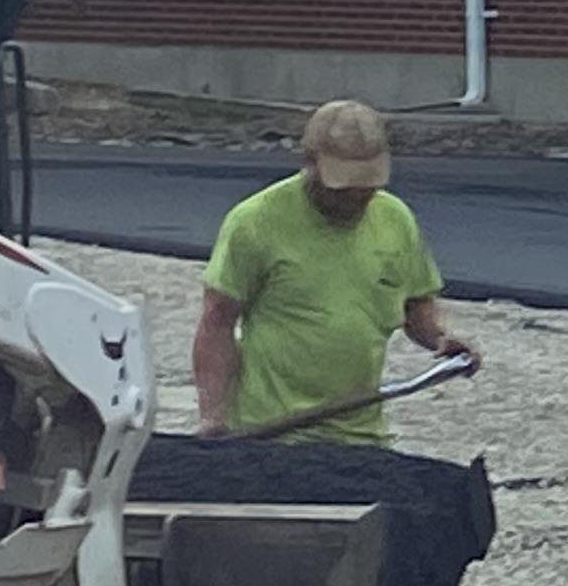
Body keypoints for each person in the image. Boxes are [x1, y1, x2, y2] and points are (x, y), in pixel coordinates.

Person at [194, 99, 479, 444]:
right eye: (343, 191)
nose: (354, 201)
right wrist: (213, 417)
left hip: (361, 435)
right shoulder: (255, 223)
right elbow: (217, 321)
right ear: (309, 163)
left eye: (366, 191)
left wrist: (438, 338)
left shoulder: (396, 220)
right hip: (272, 433)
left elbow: (416, 306)